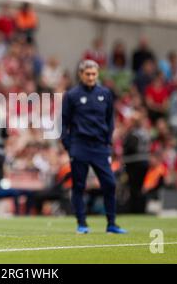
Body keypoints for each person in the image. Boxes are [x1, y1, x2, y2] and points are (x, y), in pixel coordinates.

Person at [61, 59, 127, 234]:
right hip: (79, 145)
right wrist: (68, 145)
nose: (91, 77)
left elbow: (109, 120)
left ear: (97, 74)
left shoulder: (105, 94)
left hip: (99, 147)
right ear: (81, 75)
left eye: (93, 74)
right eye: (87, 74)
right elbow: (63, 122)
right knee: (79, 186)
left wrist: (107, 141)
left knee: (110, 184)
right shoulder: (72, 95)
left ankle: (111, 223)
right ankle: (81, 224)